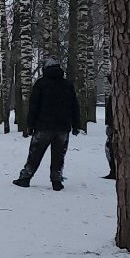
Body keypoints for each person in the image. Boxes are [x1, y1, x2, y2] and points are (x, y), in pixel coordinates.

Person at [14, 61, 81, 191]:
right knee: (58, 156)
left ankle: (25, 178)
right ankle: (56, 181)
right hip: (62, 127)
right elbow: (74, 106)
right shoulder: (67, 85)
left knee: (35, 154)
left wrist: (30, 124)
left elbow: (34, 106)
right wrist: (76, 124)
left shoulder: (41, 84)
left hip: (43, 126)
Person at [102, 92, 116, 180]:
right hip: (112, 125)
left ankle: (114, 170)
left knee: (110, 148)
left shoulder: (114, 94)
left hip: (113, 125)